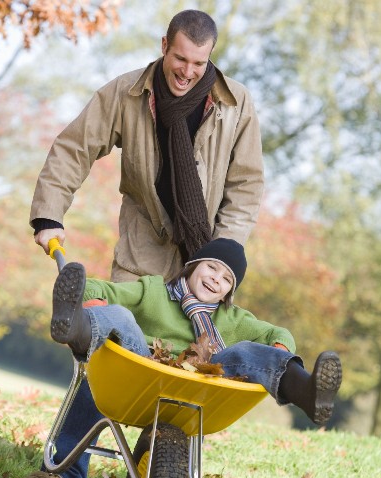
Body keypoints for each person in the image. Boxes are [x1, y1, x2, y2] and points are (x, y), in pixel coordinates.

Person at [22, 238, 342, 478]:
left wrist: (280, 349)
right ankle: (75, 331)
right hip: (136, 371)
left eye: (226, 279)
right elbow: (94, 287)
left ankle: (308, 393)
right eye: (211, 267)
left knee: (243, 352)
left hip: (194, 390)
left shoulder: (233, 319)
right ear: (193, 266)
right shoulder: (154, 292)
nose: (216, 279)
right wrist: (90, 305)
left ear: (228, 291)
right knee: (120, 317)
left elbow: (279, 333)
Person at [30, 9, 265, 282]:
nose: (187, 72)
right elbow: (74, 149)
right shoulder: (124, 93)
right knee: (120, 325)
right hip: (139, 262)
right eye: (180, 58)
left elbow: (246, 184)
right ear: (164, 45)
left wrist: (221, 255)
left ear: (210, 55)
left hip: (206, 268)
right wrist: (49, 216)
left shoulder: (236, 102)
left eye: (198, 63)